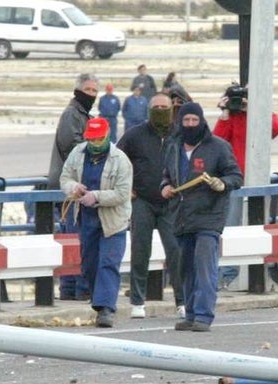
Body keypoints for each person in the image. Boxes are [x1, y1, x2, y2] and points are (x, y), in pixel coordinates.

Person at [160, 102, 242, 332]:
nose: (190, 125)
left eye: (194, 120)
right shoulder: (173, 146)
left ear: (201, 121)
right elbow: (166, 174)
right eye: (186, 120)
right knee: (185, 268)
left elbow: (235, 176)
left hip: (209, 217)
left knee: (204, 266)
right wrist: (165, 186)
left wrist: (221, 183)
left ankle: (204, 315)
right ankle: (191, 313)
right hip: (181, 216)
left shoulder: (218, 147)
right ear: (180, 122)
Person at [60, 117, 133, 328]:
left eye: (99, 139)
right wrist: (73, 187)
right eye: (91, 139)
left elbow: (121, 193)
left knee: (108, 263)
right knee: (90, 263)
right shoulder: (78, 153)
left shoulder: (120, 160)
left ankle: (106, 308)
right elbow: (65, 177)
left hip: (113, 220)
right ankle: (97, 299)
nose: (95, 143)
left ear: (107, 135)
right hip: (86, 218)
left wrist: (97, 196)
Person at [117, 91, 184, 319]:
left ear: (172, 109)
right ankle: (137, 301)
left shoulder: (181, 135)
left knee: (176, 251)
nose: (160, 111)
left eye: (164, 108)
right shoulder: (134, 135)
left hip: (172, 202)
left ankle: (182, 301)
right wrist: (127, 190)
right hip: (142, 201)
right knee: (140, 249)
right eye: (156, 107)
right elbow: (117, 163)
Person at [212, 85, 278, 288]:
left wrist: (255, 108)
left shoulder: (256, 116)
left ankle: (259, 270)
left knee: (257, 225)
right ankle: (228, 273)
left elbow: (277, 128)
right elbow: (217, 141)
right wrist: (225, 113)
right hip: (234, 179)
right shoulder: (231, 119)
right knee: (231, 225)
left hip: (256, 177)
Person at [48, 73, 99, 300]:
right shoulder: (72, 115)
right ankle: (76, 289)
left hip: (78, 186)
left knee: (73, 239)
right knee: (76, 239)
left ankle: (71, 289)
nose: (92, 95)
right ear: (78, 90)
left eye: (94, 91)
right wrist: (97, 148)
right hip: (71, 187)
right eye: (88, 90)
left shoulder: (83, 114)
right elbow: (72, 146)